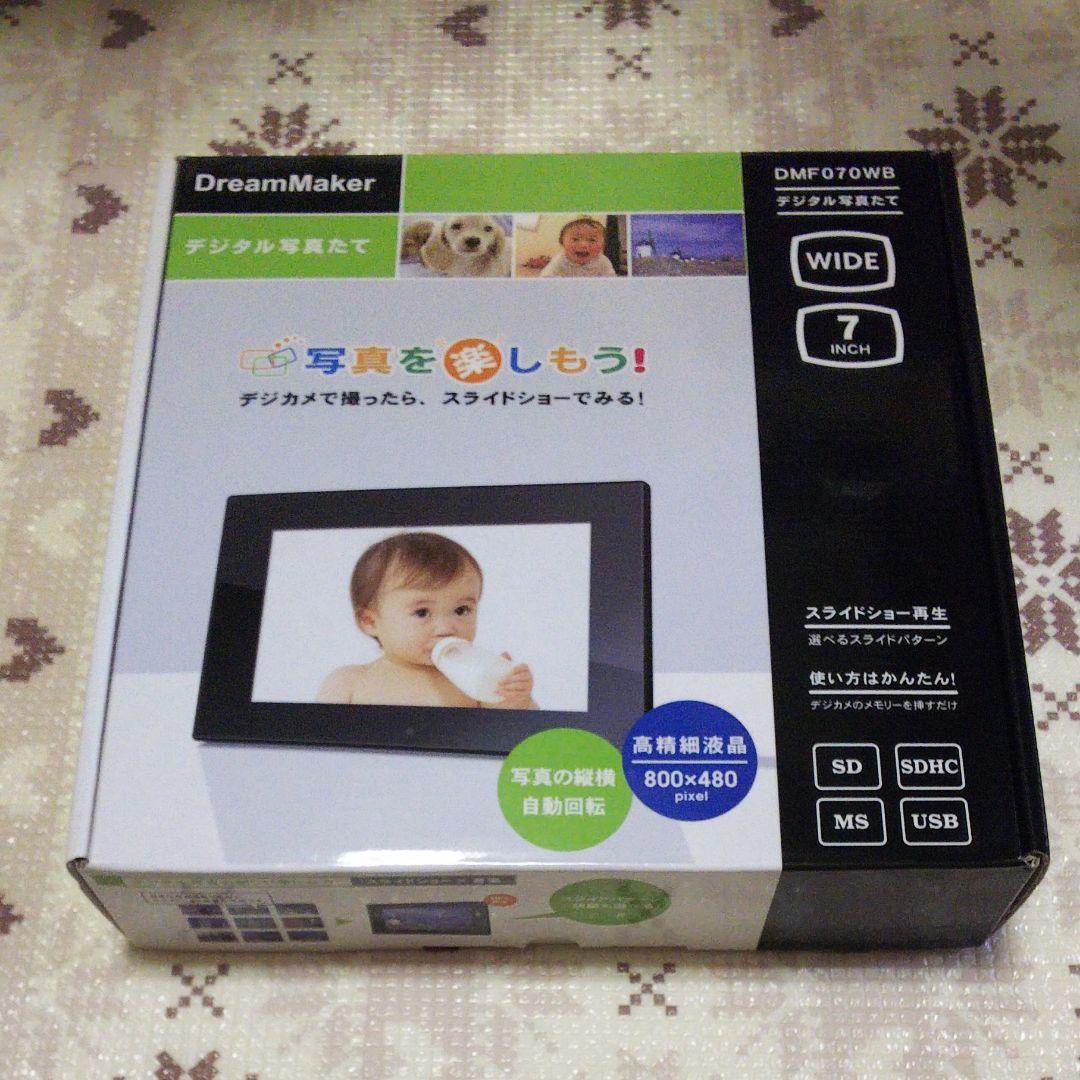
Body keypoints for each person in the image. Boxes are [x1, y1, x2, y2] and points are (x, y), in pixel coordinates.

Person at [316, 531, 537, 708]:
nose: (446, 628)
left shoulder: (477, 685)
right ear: (370, 621)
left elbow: (524, 739)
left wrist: (515, 699)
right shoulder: (350, 683)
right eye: (422, 612)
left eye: (461, 610)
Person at [539, 217, 617, 277]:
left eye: (592, 240)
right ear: (562, 243)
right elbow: (545, 278)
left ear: (602, 245)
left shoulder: (603, 261)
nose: (584, 245)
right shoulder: (560, 260)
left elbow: (612, 281)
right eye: (575, 239)